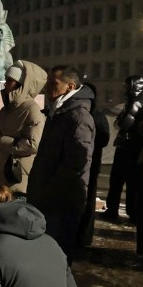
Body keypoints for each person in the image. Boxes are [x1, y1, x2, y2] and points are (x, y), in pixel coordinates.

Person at [27, 66, 96, 263]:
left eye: (53, 84)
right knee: (47, 255)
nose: (47, 87)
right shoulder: (58, 113)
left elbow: (77, 163)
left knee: (57, 257)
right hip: (49, 198)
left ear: (70, 86)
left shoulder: (78, 117)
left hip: (61, 201)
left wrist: (48, 189)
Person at [0, 60, 47, 196]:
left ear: (21, 85)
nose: (5, 84)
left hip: (13, 175)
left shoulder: (31, 109)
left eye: (9, 80)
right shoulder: (5, 110)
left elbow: (33, 144)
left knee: (10, 213)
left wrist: (3, 142)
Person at [102, 75, 143, 222]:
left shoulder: (136, 103)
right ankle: (117, 210)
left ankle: (131, 213)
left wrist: (120, 121)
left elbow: (123, 124)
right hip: (127, 146)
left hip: (131, 147)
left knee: (128, 181)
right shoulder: (133, 102)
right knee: (119, 180)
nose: (125, 87)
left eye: (128, 84)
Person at [76, 81, 110, 248]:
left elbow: (104, 139)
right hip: (88, 162)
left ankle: (83, 237)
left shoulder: (96, 115)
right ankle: (82, 236)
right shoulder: (95, 114)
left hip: (91, 162)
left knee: (88, 200)